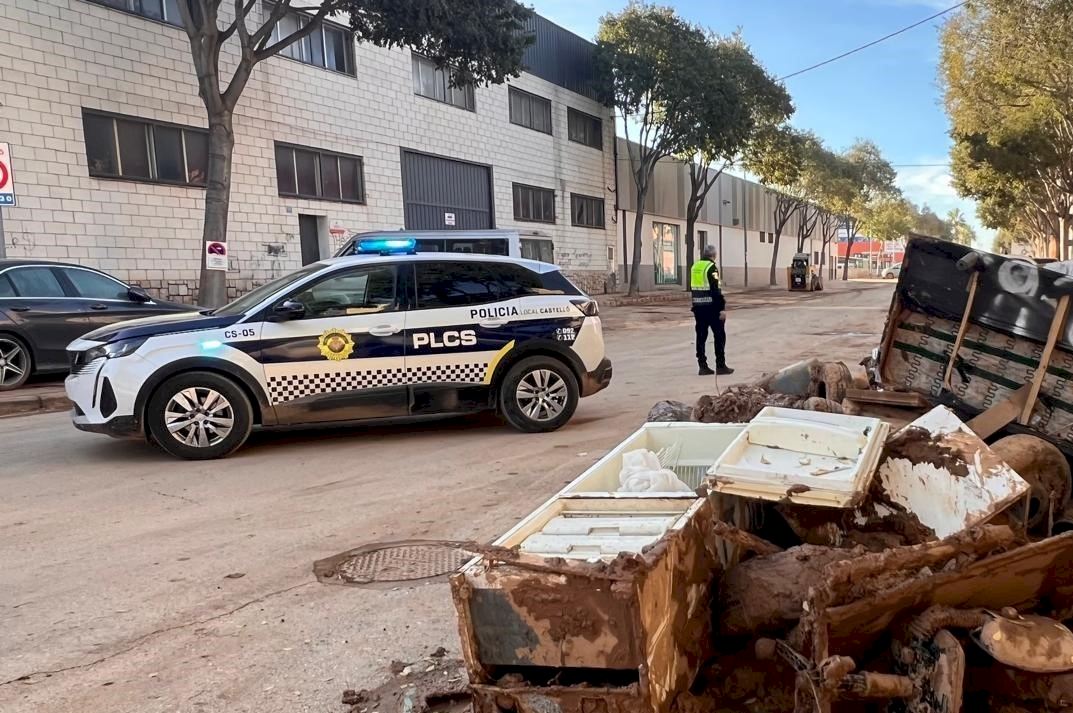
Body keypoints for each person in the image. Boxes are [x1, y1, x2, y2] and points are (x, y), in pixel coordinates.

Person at [690, 245, 734, 376]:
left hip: (698, 307)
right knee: (719, 336)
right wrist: (722, 308)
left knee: (701, 337)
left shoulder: (695, 266)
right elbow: (716, 290)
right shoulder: (711, 267)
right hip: (712, 308)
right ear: (714, 255)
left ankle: (702, 366)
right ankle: (721, 365)